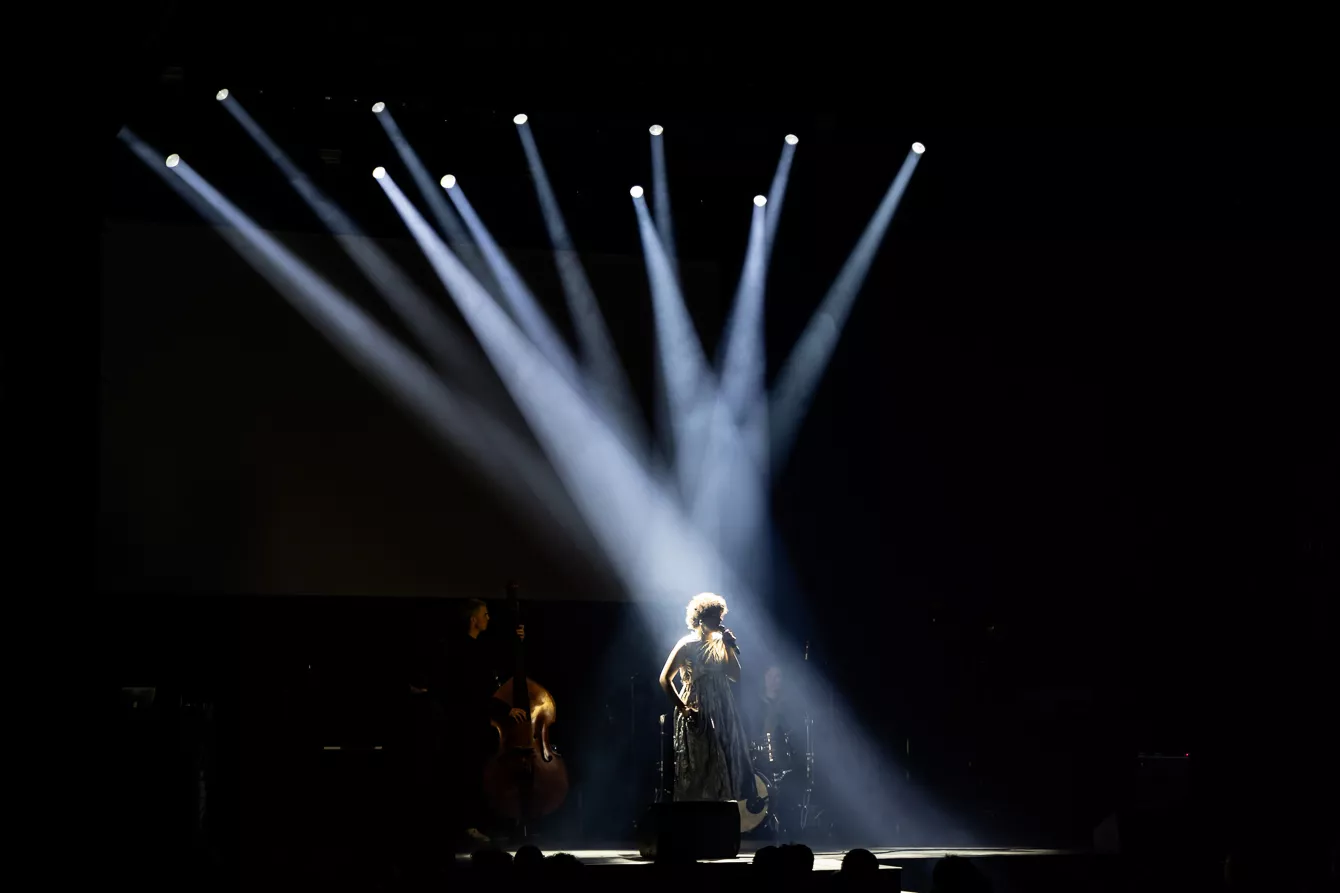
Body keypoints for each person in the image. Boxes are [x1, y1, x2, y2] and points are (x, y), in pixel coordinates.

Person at [424, 598, 527, 846]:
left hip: (473, 721)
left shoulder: (475, 647)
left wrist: (517, 641)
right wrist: (505, 709)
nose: (488, 618)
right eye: (485, 614)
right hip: (466, 724)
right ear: (473, 620)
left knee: (472, 774)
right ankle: (467, 826)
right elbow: (477, 691)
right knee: (466, 775)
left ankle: (472, 824)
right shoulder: (462, 650)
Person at [659, 592, 754, 805]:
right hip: (696, 709)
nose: (720, 621)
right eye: (715, 617)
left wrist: (729, 646)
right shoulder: (686, 646)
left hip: (721, 709)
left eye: (721, 617)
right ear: (701, 619)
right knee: (697, 766)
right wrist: (684, 708)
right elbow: (665, 679)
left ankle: (719, 816)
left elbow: (735, 675)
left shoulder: (721, 643)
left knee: (721, 765)